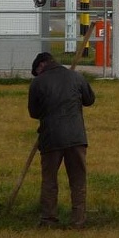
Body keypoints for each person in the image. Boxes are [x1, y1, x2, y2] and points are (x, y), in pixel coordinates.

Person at [28, 51, 96, 228]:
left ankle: (48, 219)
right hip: (76, 137)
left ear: (41, 65)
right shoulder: (76, 77)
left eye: (37, 71)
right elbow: (90, 100)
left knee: (49, 180)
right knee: (78, 180)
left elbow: (33, 113)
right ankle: (78, 220)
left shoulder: (38, 82)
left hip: (50, 137)